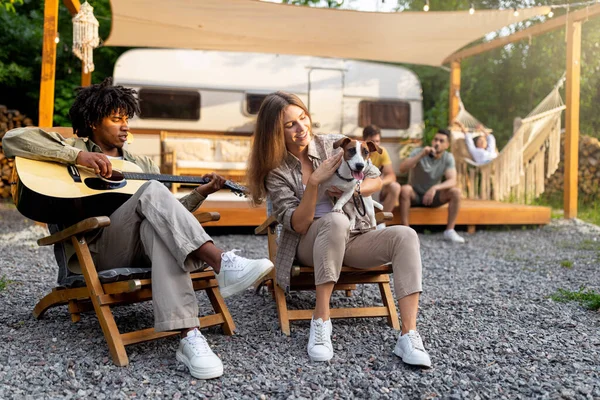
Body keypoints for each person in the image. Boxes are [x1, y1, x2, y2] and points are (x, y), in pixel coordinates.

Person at [2, 78, 274, 380]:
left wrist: (203, 192)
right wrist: (78, 157)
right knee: (152, 191)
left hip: (140, 244)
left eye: (127, 118)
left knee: (157, 225)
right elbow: (13, 138)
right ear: (92, 122)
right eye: (116, 118)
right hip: (96, 250)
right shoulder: (71, 147)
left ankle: (190, 337)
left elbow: (171, 218)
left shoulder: (140, 162)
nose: (125, 126)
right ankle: (222, 262)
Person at [246, 91, 431, 367]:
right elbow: (298, 223)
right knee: (335, 220)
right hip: (307, 243)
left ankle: (409, 334)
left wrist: (354, 188)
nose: (301, 128)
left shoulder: (333, 144)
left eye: (302, 118)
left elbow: (376, 180)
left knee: (406, 235)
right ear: (274, 132)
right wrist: (314, 183)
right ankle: (321, 322)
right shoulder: (277, 171)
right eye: (290, 125)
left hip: (354, 237)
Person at [398, 128, 465, 243]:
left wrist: (435, 188)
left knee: (456, 192)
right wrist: (421, 155)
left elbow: (452, 180)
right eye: (435, 140)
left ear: (447, 145)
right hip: (415, 195)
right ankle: (406, 231)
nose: (437, 143)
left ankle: (449, 231)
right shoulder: (419, 151)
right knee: (404, 189)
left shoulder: (448, 157)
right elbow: (402, 168)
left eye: (441, 141)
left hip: (433, 197)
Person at [362, 125, 401, 229]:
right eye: (372, 141)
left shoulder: (381, 151)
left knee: (395, 187)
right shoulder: (358, 150)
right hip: (360, 187)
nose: (375, 144)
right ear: (364, 140)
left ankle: (382, 223)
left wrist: (380, 183)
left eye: (377, 141)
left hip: (376, 188)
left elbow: (391, 175)